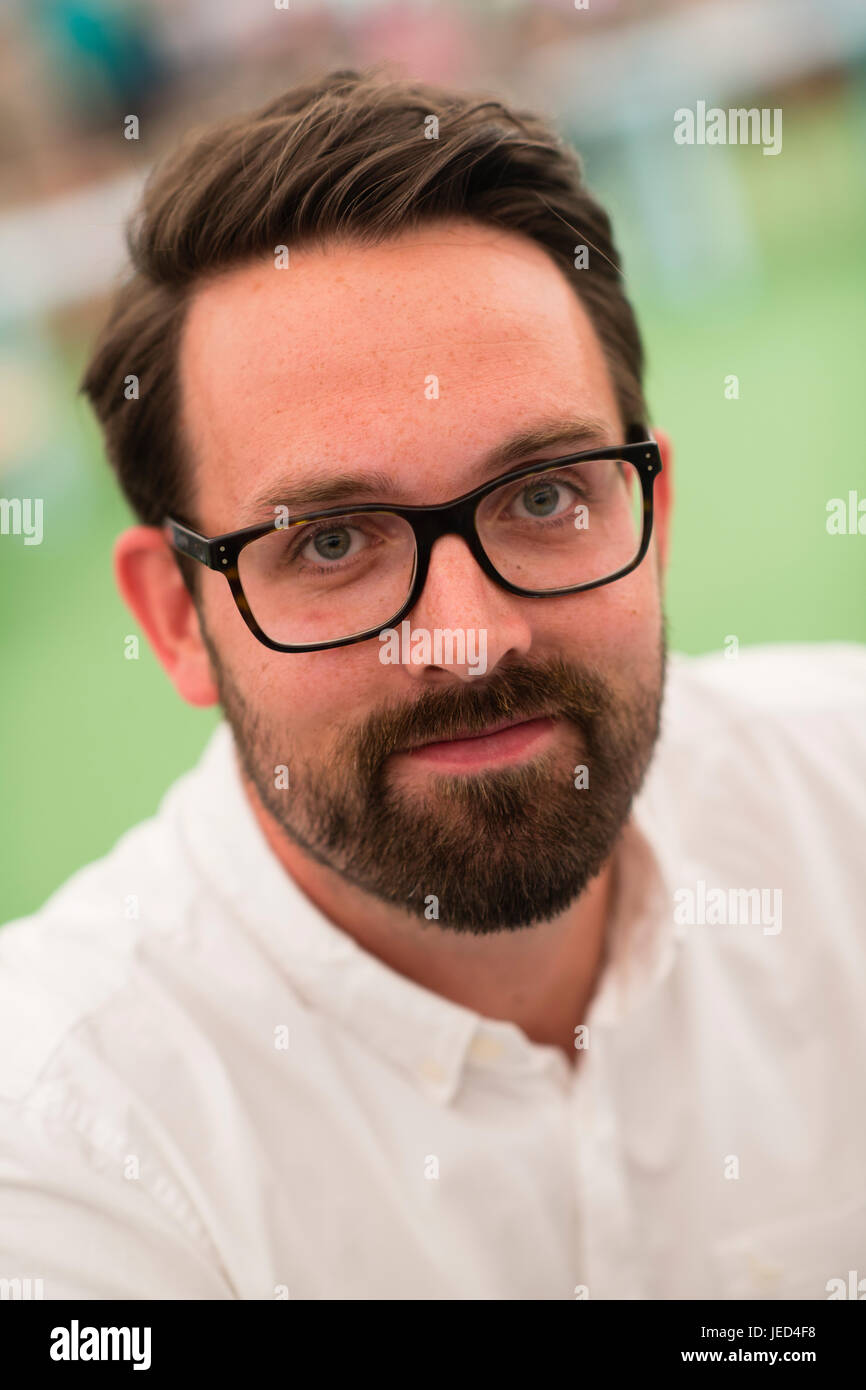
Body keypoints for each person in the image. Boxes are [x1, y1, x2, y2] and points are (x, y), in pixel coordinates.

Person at [1, 70, 864, 1301]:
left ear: (650, 513)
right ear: (173, 621)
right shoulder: (65, 1143)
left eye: (543, 498)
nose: (470, 639)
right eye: (333, 543)